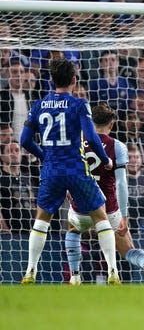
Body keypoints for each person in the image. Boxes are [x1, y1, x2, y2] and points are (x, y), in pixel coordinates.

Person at [19, 58, 119, 284]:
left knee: (42, 220)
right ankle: (113, 271)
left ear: (50, 81)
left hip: (51, 170)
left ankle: (30, 271)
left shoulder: (39, 105)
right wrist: (105, 160)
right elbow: (92, 137)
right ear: (74, 80)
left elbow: (24, 140)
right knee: (100, 217)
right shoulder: (79, 104)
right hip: (76, 169)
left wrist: (45, 156)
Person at [65, 103, 144, 285]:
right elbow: (121, 183)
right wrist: (124, 217)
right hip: (109, 209)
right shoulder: (117, 146)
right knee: (128, 251)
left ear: (90, 122)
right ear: (111, 125)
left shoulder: (75, 142)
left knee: (73, 230)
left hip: (81, 206)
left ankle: (75, 275)